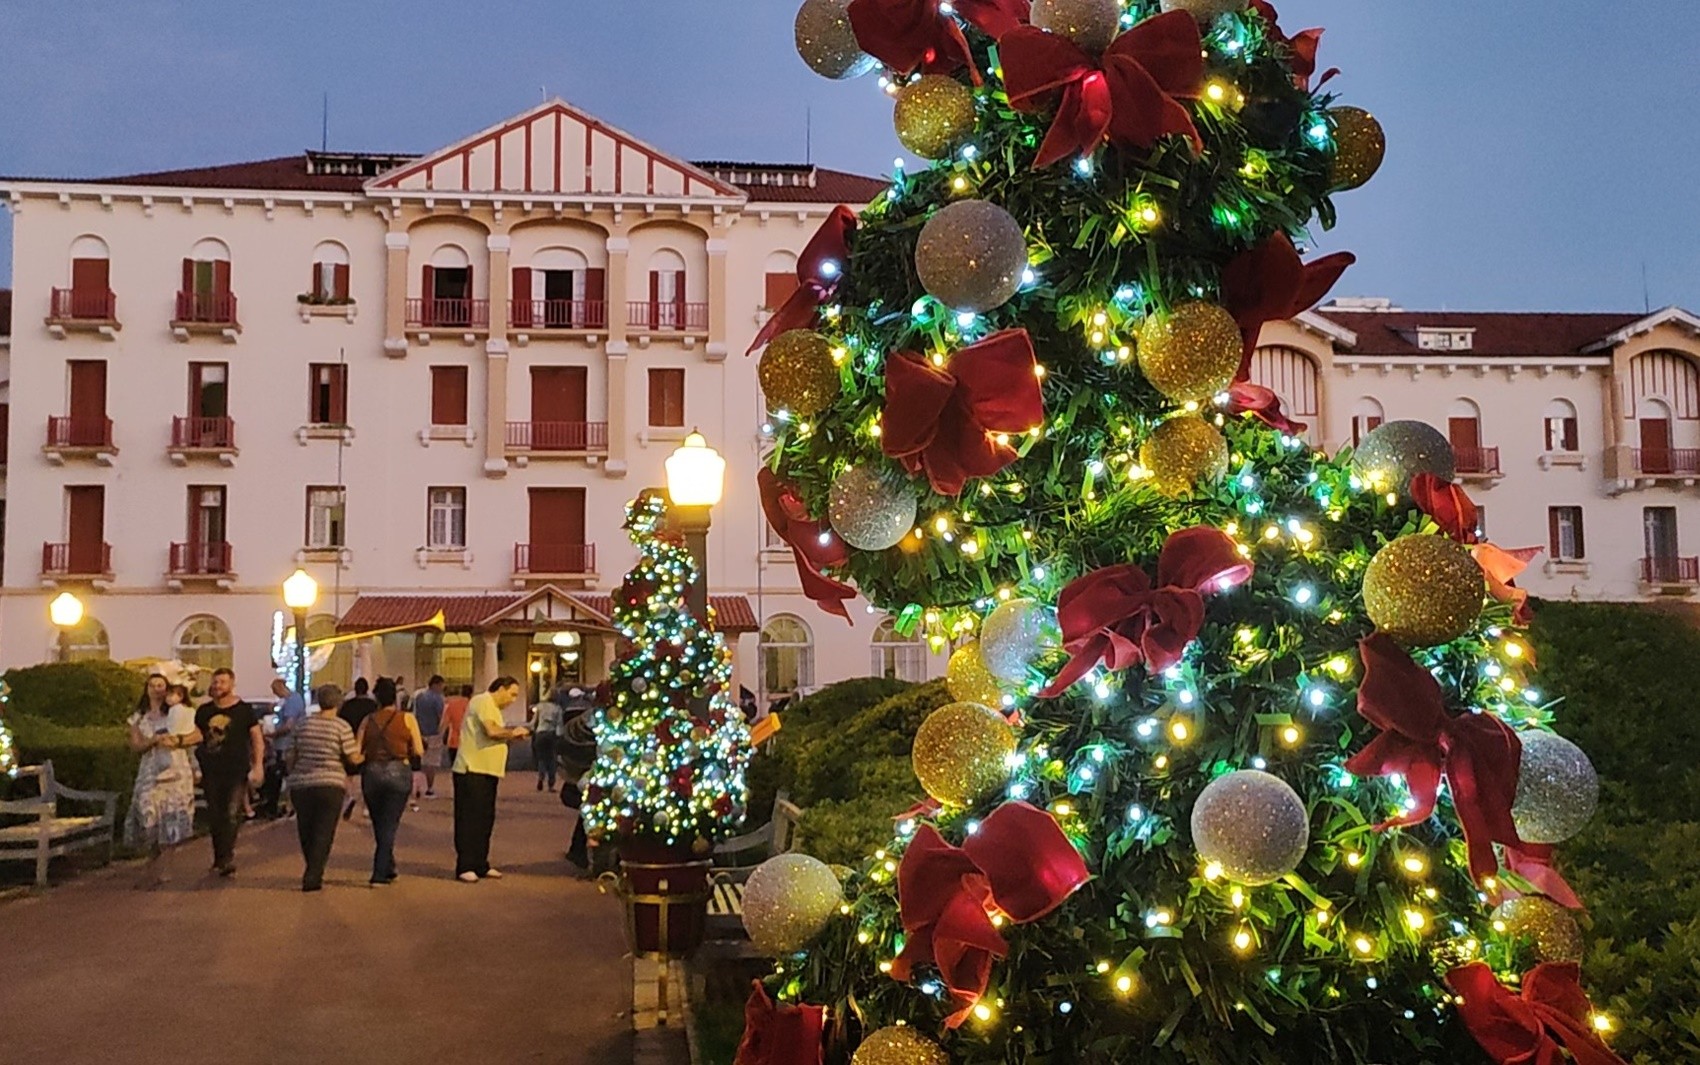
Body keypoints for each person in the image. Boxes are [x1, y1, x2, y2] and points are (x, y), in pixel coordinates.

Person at [125, 676, 201, 888]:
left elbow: (196, 735)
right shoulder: (139, 717)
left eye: (161, 686)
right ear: (146, 689)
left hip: (175, 771)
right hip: (150, 772)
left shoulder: (178, 712)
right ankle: (151, 861)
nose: (157, 690)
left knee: (171, 818)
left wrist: (178, 741)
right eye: (152, 685)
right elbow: (136, 745)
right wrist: (153, 741)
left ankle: (165, 869)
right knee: (148, 816)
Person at [452, 676, 530, 883]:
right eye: (512, 694)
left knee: (485, 818)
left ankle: (480, 863)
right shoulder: (483, 701)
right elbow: (492, 731)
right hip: (472, 769)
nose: (513, 699)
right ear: (501, 689)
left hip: (487, 769)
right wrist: (513, 733)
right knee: (470, 818)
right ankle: (465, 865)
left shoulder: (493, 708)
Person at [287, 685, 361, 892]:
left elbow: (291, 754)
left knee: (306, 828)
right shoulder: (341, 727)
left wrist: (293, 773)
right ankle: (314, 873)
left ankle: (311, 865)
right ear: (338, 702)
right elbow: (352, 757)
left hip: (301, 784)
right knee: (324, 830)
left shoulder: (303, 724)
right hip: (331, 783)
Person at [354, 678, 425, 886]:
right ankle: (378, 871)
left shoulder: (368, 720)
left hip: (372, 772)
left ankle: (388, 866)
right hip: (398, 770)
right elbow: (419, 750)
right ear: (395, 696)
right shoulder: (407, 718)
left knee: (380, 823)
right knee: (390, 823)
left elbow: (358, 750)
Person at [194, 667, 264, 878]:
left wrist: (258, 764)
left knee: (232, 813)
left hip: (236, 770)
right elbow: (195, 737)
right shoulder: (204, 711)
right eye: (215, 682)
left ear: (232, 684)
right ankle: (219, 857)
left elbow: (256, 738)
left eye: (222, 682)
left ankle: (227, 857)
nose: (218, 686)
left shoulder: (244, 710)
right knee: (215, 814)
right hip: (211, 770)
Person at [556, 686, 597, 872]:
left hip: (578, 771)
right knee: (588, 812)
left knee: (586, 812)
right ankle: (582, 853)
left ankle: (578, 852)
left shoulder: (570, 715)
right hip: (584, 770)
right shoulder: (589, 717)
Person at [262, 677, 307, 818]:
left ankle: (286, 806)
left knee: (283, 774)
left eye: (275, 691)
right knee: (285, 775)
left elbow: (289, 725)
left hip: (286, 744)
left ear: (281, 687)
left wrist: (273, 734)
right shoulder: (292, 699)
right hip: (287, 743)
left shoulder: (291, 702)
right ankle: (286, 805)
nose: (276, 694)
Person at [338, 678, 379, 820]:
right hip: (368, 742)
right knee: (367, 774)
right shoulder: (373, 705)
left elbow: (340, 721)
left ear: (355, 689)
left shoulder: (347, 705)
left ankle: (350, 795)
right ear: (367, 689)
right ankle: (366, 806)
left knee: (349, 773)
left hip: (349, 741)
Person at [411, 675, 447, 798]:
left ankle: (417, 788)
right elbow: (441, 716)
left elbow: (414, 713)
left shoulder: (419, 697)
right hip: (434, 733)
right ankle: (429, 789)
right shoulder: (438, 699)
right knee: (431, 763)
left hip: (420, 733)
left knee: (420, 762)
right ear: (436, 685)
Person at [529, 688, 564, 792]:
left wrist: (531, 731)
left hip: (540, 733)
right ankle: (551, 784)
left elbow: (533, 722)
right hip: (551, 734)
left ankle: (540, 778)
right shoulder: (558, 708)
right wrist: (559, 736)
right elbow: (559, 724)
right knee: (552, 759)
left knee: (541, 758)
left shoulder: (540, 706)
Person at [441, 683, 472, 770]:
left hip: (454, 741)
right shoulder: (473, 705)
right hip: (469, 742)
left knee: (455, 768)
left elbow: (444, 723)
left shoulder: (452, 705)